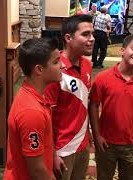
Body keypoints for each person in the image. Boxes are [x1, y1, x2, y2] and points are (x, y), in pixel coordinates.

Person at [89, 34, 133, 180]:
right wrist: (97, 135)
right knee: (104, 176)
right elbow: (93, 106)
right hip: (105, 143)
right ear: (122, 50)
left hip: (132, 144)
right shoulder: (103, 77)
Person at [3, 38, 63, 180]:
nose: (62, 66)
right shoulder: (32, 112)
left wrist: (53, 157)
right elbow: (36, 170)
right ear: (39, 69)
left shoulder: (34, 95)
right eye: (56, 62)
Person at [44, 14, 94, 180]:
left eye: (92, 34)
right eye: (85, 34)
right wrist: (52, 154)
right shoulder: (54, 68)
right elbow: (46, 117)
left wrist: (88, 135)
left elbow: (82, 103)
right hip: (62, 148)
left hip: (82, 144)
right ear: (68, 38)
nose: (92, 39)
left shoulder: (87, 64)